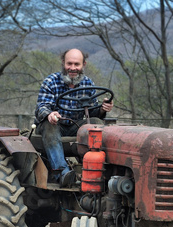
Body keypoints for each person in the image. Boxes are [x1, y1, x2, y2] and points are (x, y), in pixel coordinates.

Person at [35, 48, 114, 187]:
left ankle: (97, 170)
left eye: (76, 64)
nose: (72, 68)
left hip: (74, 126)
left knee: (97, 123)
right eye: (69, 64)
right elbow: (41, 107)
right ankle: (63, 172)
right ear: (63, 63)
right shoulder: (51, 81)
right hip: (53, 125)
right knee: (50, 126)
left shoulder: (88, 83)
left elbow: (92, 112)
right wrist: (50, 114)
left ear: (83, 65)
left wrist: (102, 109)